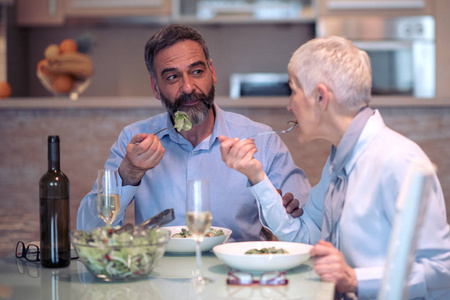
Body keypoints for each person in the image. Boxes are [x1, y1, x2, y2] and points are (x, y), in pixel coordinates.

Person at [219, 36, 450, 298]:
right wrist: (256, 176)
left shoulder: (398, 160)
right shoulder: (338, 161)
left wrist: (354, 279)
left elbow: (442, 270)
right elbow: (303, 237)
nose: (289, 104)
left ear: (321, 96)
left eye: (294, 91)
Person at [76, 24, 310, 242]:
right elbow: (89, 231)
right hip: (158, 279)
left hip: (237, 277)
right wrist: (128, 173)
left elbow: (305, 225)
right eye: (172, 77)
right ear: (156, 87)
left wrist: (285, 206)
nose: (188, 87)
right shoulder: (133, 140)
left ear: (212, 73)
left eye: (197, 71)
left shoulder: (263, 140)